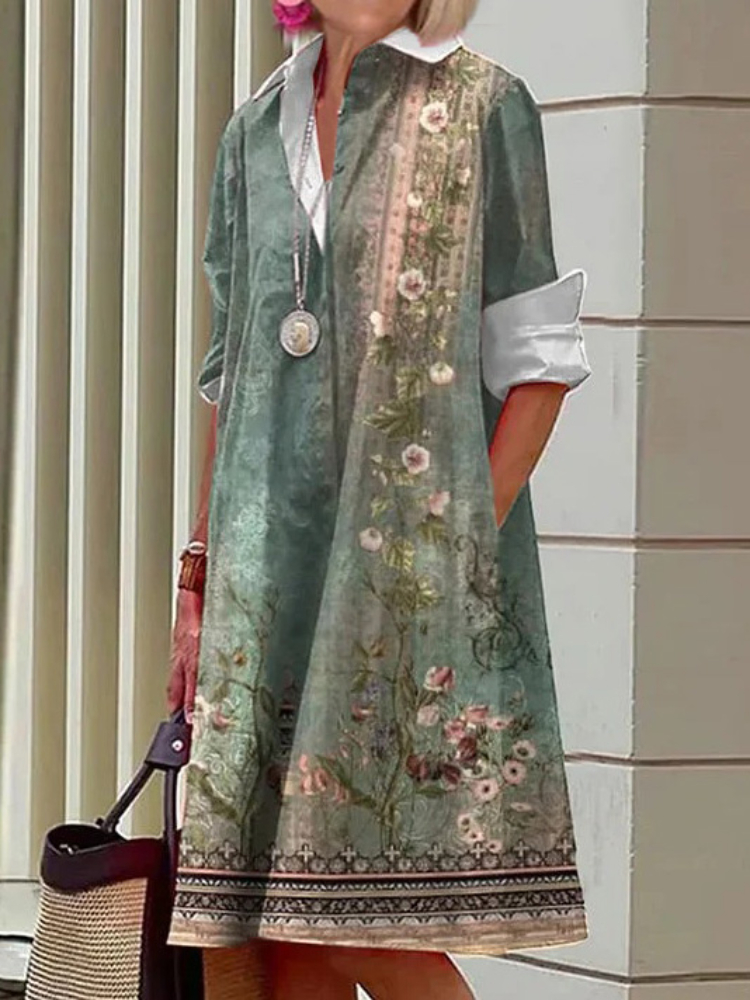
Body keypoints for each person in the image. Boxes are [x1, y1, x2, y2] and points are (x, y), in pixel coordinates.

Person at [166, 1, 592, 996]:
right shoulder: (252, 132)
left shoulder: (484, 107)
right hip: (260, 594)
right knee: (271, 936)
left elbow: (538, 363)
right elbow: (233, 375)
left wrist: (458, 547)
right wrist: (196, 576)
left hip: (404, 599)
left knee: (369, 926)